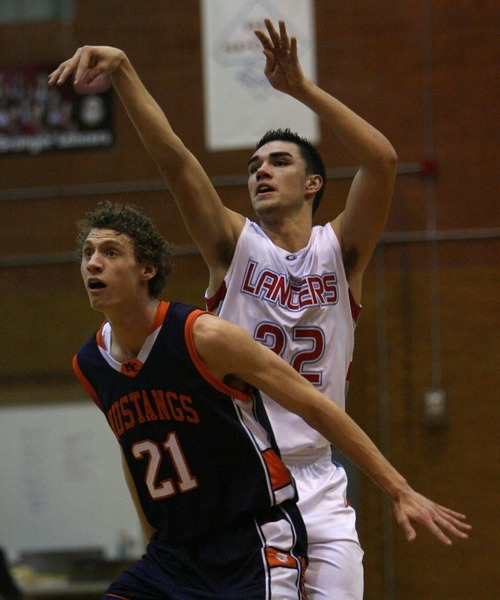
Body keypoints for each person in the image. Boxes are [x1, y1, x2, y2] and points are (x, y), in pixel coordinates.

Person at [49, 21, 471, 598]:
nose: (261, 171)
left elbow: (382, 159)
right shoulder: (234, 247)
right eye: (253, 166)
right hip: (242, 479)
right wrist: (124, 72)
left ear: (314, 182)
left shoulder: (340, 253)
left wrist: (300, 89)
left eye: (278, 162)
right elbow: (176, 161)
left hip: (320, 475)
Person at [68, 201, 468, 600]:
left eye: (110, 252)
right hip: (174, 555)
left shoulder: (203, 337)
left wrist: (398, 489)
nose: (93, 263)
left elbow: (314, 405)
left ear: (147, 269)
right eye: (88, 253)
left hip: (250, 542)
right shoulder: (91, 363)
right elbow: (131, 447)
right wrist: (152, 540)